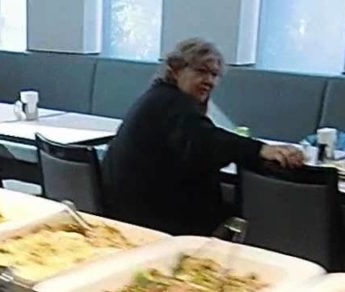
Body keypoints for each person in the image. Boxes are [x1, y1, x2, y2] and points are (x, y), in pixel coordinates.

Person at [101, 38, 304, 235]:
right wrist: (261, 149)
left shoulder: (158, 98)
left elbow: (202, 137)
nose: (209, 81)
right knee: (261, 214)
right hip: (156, 222)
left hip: (127, 214)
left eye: (215, 75)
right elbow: (205, 142)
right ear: (175, 69)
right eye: (201, 71)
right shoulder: (171, 103)